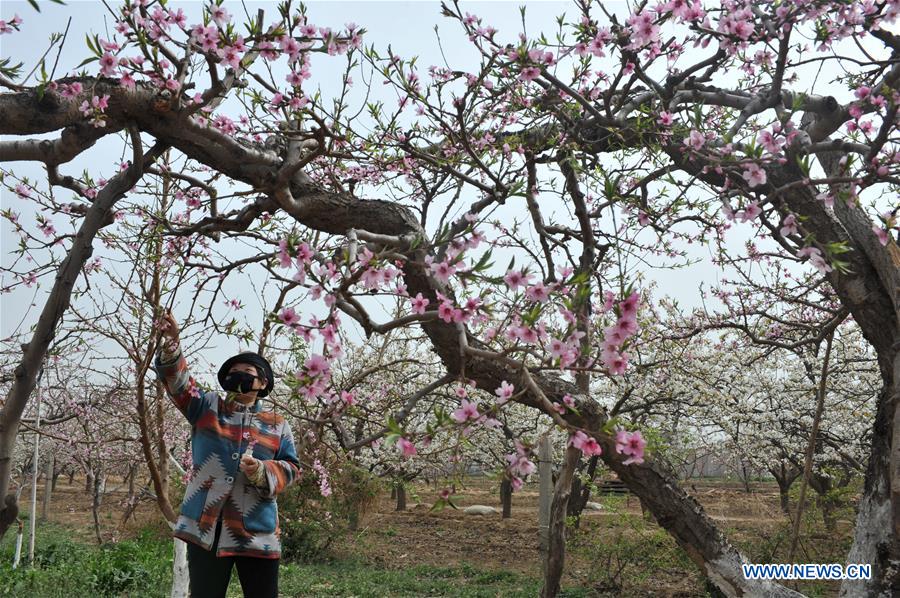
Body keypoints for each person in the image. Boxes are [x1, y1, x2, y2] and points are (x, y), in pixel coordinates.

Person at [154, 310, 301, 598]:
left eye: (248, 374)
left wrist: (262, 471)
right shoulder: (207, 407)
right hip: (204, 530)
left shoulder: (277, 424)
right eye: (234, 373)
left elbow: (292, 467)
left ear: (262, 384)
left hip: (258, 534)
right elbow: (178, 382)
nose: (239, 378)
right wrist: (172, 342)